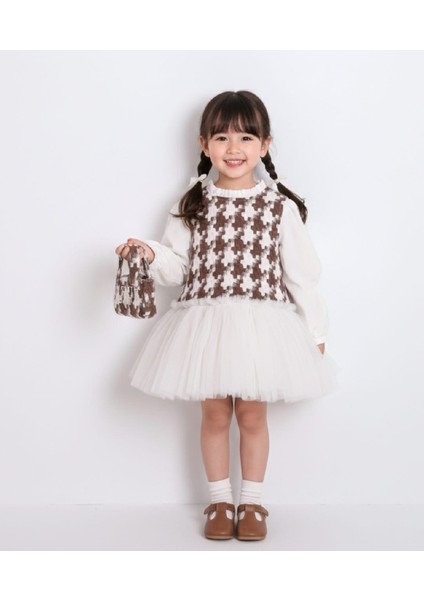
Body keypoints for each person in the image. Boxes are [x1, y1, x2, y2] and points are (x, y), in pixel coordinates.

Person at [115, 90, 341, 542]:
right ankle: (220, 500)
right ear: (204, 144)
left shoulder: (278, 208)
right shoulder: (192, 204)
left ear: (265, 144)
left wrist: (315, 330)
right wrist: (150, 253)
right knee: (215, 414)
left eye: (245, 137)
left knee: (252, 415)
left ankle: (252, 503)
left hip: (262, 329)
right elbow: (178, 266)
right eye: (221, 137)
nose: (233, 148)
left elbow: (301, 275)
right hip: (206, 329)